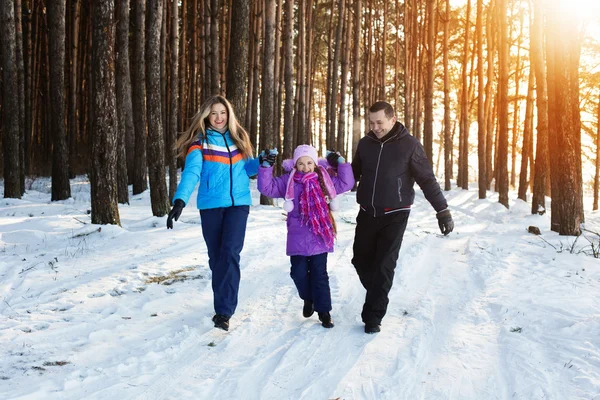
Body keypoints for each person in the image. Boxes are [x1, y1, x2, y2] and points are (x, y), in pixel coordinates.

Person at [166, 95, 270, 332]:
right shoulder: (199, 143)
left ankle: (224, 311)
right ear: (206, 116)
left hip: (239, 205)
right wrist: (180, 200)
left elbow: (247, 169)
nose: (219, 117)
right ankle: (223, 299)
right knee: (217, 258)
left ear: (229, 114)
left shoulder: (239, 139)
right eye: (214, 113)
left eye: (222, 112)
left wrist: (261, 161)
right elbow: (192, 172)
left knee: (230, 253)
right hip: (211, 206)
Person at [351, 101, 454, 334]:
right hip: (367, 212)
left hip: (396, 214)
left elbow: (426, 179)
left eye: (380, 122)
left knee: (384, 265)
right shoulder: (366, 144)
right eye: (371, 122)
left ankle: (373, 316)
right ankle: (378, 291)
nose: (375, 127)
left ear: (393, 119)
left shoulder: (409, 145)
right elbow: (353, 175)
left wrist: (442, 210)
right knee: (360, 260)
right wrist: (328, 178)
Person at [258, 145, 355, 328]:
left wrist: (341, 163)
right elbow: (268, 188)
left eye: (309, 162)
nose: (305, 167)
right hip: (297, 235)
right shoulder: (289, 181)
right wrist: (265, 167)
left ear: (315, 163)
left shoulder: (323, 179)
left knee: (319, 274)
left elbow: (346, 183)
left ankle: (324, 311)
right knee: (298, 273)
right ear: (295, 165)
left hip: (319, 234)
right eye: (301, 163)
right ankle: (308, 298)